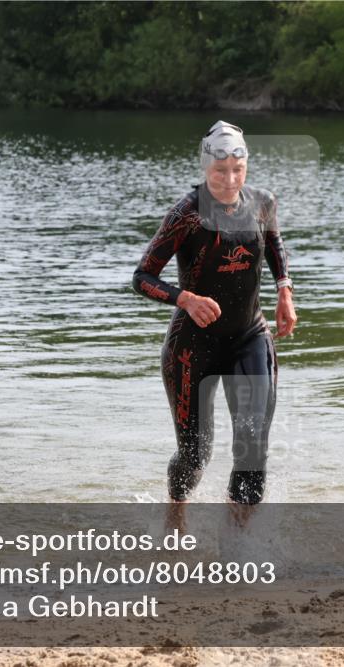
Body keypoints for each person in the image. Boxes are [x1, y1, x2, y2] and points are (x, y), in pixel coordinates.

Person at [132, 120, 297, 524]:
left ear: (246, 167)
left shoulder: (262, 203)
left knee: (253, 443)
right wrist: (184, 298)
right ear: (205, 168)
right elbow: (143, 277)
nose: (229, 179)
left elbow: (273, 243)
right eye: (220, 171)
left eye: (237, 170)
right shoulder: (185, 215)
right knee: (195, 454)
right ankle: (176, 514)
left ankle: (238, 540)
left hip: (249, 336)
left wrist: (284, 289)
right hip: (193, 346)